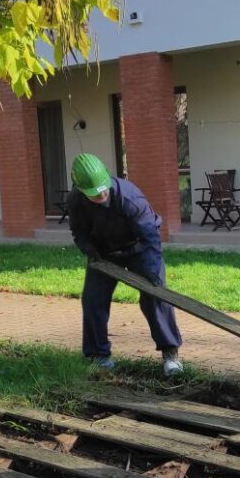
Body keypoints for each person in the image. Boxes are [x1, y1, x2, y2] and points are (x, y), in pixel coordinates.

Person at [67, 153, 184, 377]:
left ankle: (171, 354)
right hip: (104, 252)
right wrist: (90, 251)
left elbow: (150, 237)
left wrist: (152, 273)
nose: (101, 194)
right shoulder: (75, 201)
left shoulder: (129, 198)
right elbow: (78, 231)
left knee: (155, 297)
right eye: (94, 193)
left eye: (103, 189)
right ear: (81, 190)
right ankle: (98, 356)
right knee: (93, 300)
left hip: (139, 248)